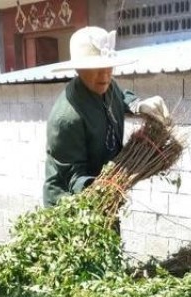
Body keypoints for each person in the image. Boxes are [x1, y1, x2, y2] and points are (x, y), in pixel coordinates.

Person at [43, 26, 169, 207]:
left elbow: (120, 96)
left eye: (109, 66)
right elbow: (73, 177)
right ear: (78, 69)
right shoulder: (67, 119)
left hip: (103, 188)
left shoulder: (106, 86)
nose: (105, 74)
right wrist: (106, 192)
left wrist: (138, 105)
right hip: (71, 203)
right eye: (96, 68)